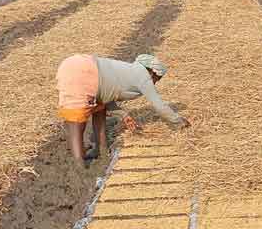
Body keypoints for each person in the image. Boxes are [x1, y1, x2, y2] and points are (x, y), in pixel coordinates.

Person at [56, 54, 189, 166]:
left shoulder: (129, 70)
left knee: (100, 109)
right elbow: (160, 106)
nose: (155, 83)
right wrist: (179, 122)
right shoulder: (144, 77)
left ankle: (100, 151)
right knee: (76, 122)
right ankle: (79, 162)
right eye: (157, 79)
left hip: (84, 67)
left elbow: (107, 94)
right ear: (152, 73)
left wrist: (124, 115)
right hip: (81, 73)